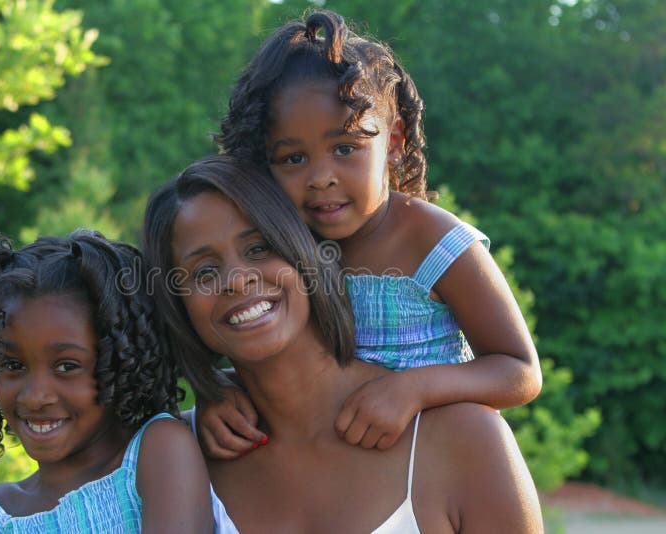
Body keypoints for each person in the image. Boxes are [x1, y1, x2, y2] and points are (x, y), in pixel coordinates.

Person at [198, 9, 543, 458]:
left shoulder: (435, 242)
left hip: (436, 469)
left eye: (345, 148)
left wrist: (412, 390)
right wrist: (218, 391)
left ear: (394, 143)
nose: (321, 177)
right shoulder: (279, 250)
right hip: (327, 471)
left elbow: (519, 371)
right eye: (292, 159)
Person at [143, 154, 544, 533]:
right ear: (178, 303)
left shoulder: (464, 439)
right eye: (204, 271)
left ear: (305, 252)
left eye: (259, 248)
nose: (237, 278)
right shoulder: (176, 458)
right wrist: (209, 387)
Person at [0, 230, 212, 533]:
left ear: (122, 363)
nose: (35, 397)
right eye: (14, 365)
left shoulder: (158, 451)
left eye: (67, 366)